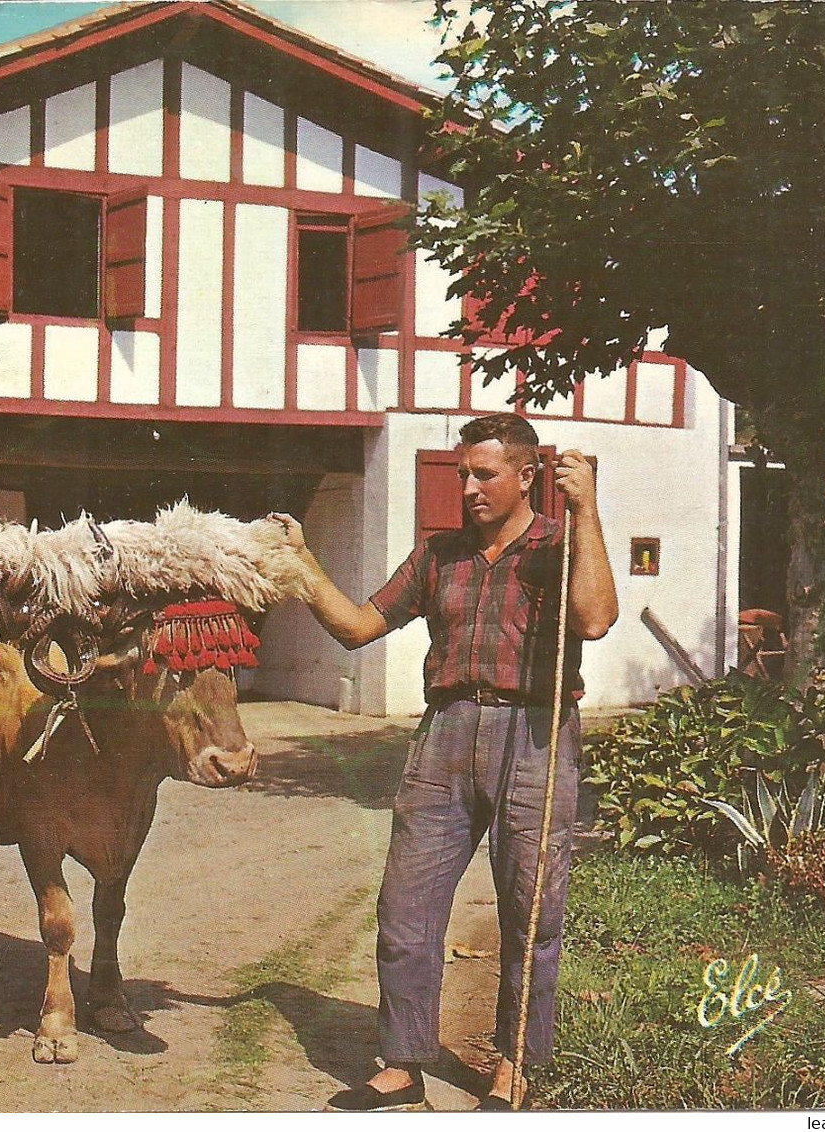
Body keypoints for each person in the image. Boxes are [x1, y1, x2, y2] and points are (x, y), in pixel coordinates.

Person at [271, 412, 617, 1112]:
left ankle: (513, 1064)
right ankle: (400, 1063)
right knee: (406, 909)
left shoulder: (560, 544)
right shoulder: (439, 555)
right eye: (461, 473)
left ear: (526, 477)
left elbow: (593, 620)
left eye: (482, 474)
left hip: (535, 733)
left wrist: (587, 511)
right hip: (445, 732)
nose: (466, 487)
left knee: (530, 912)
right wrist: (301, 565)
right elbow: (357, 627)